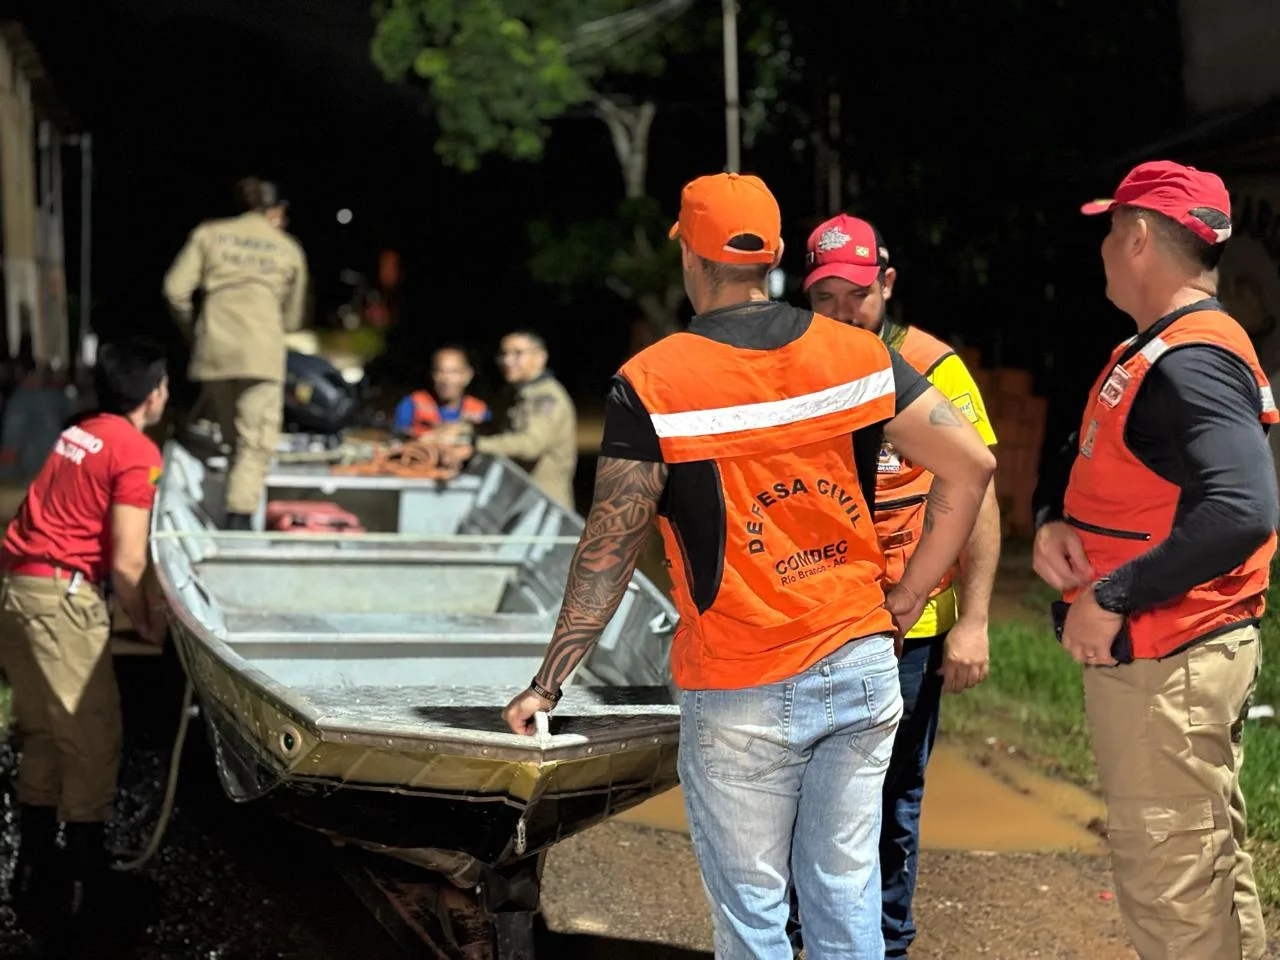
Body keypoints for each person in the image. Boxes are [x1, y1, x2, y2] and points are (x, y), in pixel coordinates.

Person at [501, 172, 996, 959]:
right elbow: (970, 467)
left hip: (741, 685)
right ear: (770, 258)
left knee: (755, 916)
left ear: (693, 259)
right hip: (862, 662)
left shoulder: (653, 382)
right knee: (844, 892)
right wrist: (902, 600)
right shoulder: (858, 355)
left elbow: (609, 546)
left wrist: (548, 681)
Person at [1032, 160, 1278, 960]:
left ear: (1138, 237)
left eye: (1111, 230)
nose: (1103, 247)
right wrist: (1051, 520)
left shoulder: (1192, 360)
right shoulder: (1157, 350)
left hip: (1171, 665)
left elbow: (1244, 508)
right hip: (1172, 665)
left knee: (1172, 892)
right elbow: (1114, 467)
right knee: (1205, 868)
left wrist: (1115, 594)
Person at [791, 214, 1001, 957]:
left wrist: (972, 621)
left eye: (857, 295)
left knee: (889, 800)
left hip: (905, 633)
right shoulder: (793, 365)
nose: (844, 314)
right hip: (810, 624)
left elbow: (975, 492)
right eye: (825, 299)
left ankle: (885, 942)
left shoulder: (932, 368)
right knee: (797, 799)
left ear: (886, 283)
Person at [0, 339, 169, 940]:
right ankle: (88, 890)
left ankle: (32, 873)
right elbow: (126, 563)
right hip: (63, 600)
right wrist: (149, 621)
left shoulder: (81, 433)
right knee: (93, 735)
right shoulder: (135, 450)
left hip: (19, 590)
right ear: (155, 394)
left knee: (46, 730)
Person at [162, 175, 309, 530]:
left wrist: (196, 331)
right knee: (255, 442)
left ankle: (225, 513)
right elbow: (292, 319)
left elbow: (174, 290)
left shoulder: (208, 234)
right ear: (275, 211)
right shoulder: (287, 248)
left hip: (213, 351)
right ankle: (239, 520)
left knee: (232, 439)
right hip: (261, 355)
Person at [446, 331, 576, 509]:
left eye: (517, 353)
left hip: (544, 505)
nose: (507, 360)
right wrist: (462, 430)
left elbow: (530, 444)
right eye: (503, 354)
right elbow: (503, 428)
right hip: (523, 498)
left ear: (540, 357)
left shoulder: (545, 398)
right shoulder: (521, 394)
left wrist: (475, 446)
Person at [391, 345, 491, 438]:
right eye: (440, 372)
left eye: (454, 372)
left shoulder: (480, 410)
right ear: (432, 375)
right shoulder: (412, 404)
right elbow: (396, 437)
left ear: (467, 376)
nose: (446, 380)